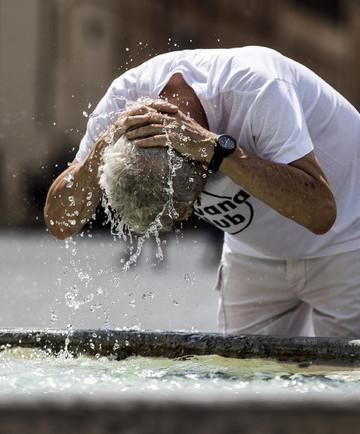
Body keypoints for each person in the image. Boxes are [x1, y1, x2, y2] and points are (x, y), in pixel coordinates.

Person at [44, 46, 360, 338]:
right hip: (254, 250)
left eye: (183, 209)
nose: (184, 217)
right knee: (243, 381)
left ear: (200, 171)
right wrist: (101, 147)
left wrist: (215, 148)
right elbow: (60, 223)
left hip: (349, 233)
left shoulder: (257, 87)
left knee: (340, 379)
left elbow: (321, 213)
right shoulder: (121, 103)